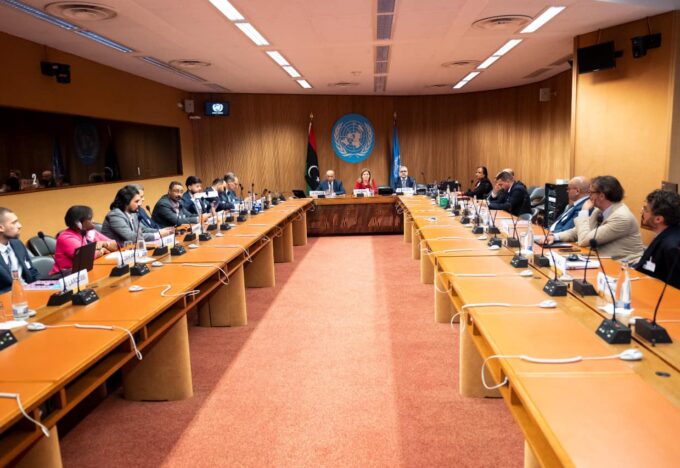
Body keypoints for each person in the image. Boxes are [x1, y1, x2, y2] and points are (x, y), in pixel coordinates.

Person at [549, 176, 644, 263]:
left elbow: (584, 241)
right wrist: (555, 237)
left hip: (624, 266)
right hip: (601, 260)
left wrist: (584, 211)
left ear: (601, 196)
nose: (588, 196)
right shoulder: (598, 210)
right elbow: (577, 231)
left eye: (591, 193)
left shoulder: (621, 218)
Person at [51, 205, 116, 274]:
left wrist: (104, 243)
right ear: (78, 223)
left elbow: (115, 245)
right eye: (90, 219)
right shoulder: (66, 237)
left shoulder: (90, 232)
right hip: (66, 276)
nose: (93, 221)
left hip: (85, 272)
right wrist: (102, 250)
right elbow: (85, 257)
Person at [636, 189, 680, 288]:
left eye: (646, 210)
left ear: (658, 219)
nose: (642, 212)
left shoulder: (672, 247)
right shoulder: (667, 234)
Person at [102, 186, 173, 244]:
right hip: (116, 253)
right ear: (126, 202)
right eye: (136, 201)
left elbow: (143, 229)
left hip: (131, 250)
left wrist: (160, 231)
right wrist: (158, 235)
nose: (139, 204)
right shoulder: (115, 215)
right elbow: (132, 237)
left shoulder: (133, 213)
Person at [0, 207, 39, 293]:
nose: (20, 226)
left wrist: (42, 288)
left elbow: (31, 271)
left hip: (29, 292)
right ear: (1, 228)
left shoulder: (17, 244)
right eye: (14, 223)